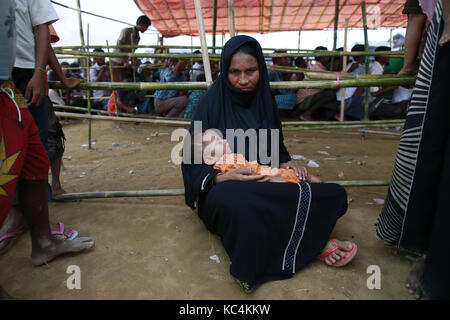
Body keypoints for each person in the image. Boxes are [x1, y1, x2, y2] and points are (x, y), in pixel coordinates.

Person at [181, 35, 357, 293]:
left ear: (261, 69)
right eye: (235, 72)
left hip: (266, 182)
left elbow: (277, 151)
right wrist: (223, 178)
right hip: (228, 190)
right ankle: (313, 242)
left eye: (250, 71)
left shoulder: (265, 101)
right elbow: (192, 161)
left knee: (334, 194)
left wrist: (288, 163)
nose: (243, 80)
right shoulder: (211, 103)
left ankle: (298, 236)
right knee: (238, 202)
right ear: (225, 71)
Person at [0, 0, 94, 299]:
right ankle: (20, 220)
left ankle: (41, 238)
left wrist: (48, 73)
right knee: (11, 163)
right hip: (15, 75)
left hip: (18, 77)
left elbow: (39, 30)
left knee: (33, 154)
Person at [375, 0, 449, 299]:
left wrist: (408, 67)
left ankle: (434, 258)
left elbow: (416, 21)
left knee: (432, 151)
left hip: (442, 51)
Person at [195, 129, 322, 183]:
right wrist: (273, 179)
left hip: (266, 173)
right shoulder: (228, 161)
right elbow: (251, 174)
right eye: (218, 142)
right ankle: (319, 184)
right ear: (209, 158)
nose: (224, 140)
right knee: (299, 177)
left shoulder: (226, 163)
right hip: (268, 177)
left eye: (221, 138)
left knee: (297, 176)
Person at [294, 46, 337, 121]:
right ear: (324, 57)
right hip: (304, 101)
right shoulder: (318, 69)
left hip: (308, 99)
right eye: (327, 55)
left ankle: (332, 115)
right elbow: (329, 84)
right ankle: (307, 113)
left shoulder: (320, 68)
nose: (329, 57)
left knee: (329, 95)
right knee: (330, 94)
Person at [111, 15, 151, 82]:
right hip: (117, 60)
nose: (146, 29)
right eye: (146, 27)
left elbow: (132, 51)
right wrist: (125, 61)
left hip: (125, 62)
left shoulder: (138, 37)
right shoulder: (126, 31)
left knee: (126, 81)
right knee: (117, 82)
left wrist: (132, 61)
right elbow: (119, 44)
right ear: (140, 24)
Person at [335, 44, 367, 120]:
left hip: (343, 96)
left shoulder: (351, 64)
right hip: (346, 98)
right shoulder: (358, 67)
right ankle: (343, 114)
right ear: (363, 55)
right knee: (364, 94)